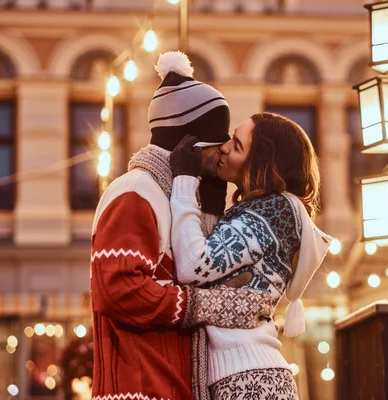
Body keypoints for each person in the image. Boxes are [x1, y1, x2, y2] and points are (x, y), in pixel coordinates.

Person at [90, 52, 273, 400]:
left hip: (167, 386)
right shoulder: (135, 191)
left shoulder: (171, 196)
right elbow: (118, 290)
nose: (222, 151)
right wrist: (204, 304)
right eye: (217, 142)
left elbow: (197, 269)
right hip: (141, 388)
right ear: (189, 142)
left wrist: (211, 206)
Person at [169, 112, 333, 399]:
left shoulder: (273, 210)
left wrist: (183, 181)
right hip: (244, 376)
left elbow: (193, 264)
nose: (224, 148)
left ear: (261, 163)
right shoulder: (261, 210)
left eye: (236, 145)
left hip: (249, 380)